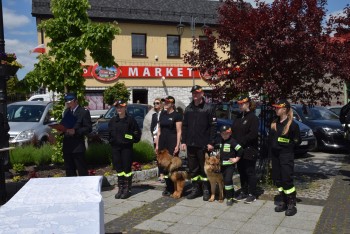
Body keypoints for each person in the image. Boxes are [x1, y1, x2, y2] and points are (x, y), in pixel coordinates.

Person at [181, 85, 217, 201]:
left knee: (204, 169)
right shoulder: (188, 109)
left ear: (202, 94)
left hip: (203, 144)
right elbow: (185, 126)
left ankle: (206, 189)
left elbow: (213, 127)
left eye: (197, 93)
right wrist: (183, 141)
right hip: (191, 144)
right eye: (193, 93)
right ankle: (196, 189)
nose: (195, 95)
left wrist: (211, 142)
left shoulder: (208, 108)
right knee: (193, 169)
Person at [270, 99, 300, 216]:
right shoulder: (274, 123)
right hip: (275, 156)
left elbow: (297, 141)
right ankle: (283, 200)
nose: (276, 109)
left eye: (278, 107)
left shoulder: (292, 125)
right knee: (278, 180)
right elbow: (270, 141)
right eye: (276, 107)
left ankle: (291, 203)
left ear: (285, 109)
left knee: (287, 180)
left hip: (286, 156)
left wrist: (286, 145)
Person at [108, 100, 141, 199]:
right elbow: (109, 135)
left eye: (121, 107)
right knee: (119, 169)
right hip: (116, 149)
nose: (119, 109)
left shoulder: (131, 120)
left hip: (126, 149)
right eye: (117, 107)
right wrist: (112, 140)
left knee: (127, 169)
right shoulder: (113, 121)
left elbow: (137, 136)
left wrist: (127, 137)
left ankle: (127, 189)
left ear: (125, 108)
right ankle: (121, 188)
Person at [232, 95, 259, 204]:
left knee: (250, 172)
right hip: (239, 150)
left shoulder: (253, 118)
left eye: (242, 103)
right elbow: (233, 131)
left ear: (248, 104)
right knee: (241, 172)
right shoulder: (238, 117)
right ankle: (243, 191)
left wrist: (240, 143)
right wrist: (233, 144)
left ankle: (252, 194)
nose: (240, 105)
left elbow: (252, 134)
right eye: (239, 103)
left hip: (249, 150)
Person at [155, 96, 182, 196]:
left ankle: (175, 188)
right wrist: (157, 144)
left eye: (167, 102)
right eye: (164, 102)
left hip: (172, 141)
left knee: (172, 166)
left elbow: (179, 131)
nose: (165, 104)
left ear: (172, 103)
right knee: (163, 166)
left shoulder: (177, 115)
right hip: (162, 141)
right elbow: (159, 131)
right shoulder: (162, 114)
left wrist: (177, 145)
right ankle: (168, 186)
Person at [62, 93, 92, 177]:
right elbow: (65, 125)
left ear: (76, 101)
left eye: (70, 101)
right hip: (67, 145)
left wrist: (76, 131)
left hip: (77, 146)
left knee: (82, 170)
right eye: (66, 101)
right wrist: (60, 129)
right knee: (69, 171)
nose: (68, 103)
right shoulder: (67, 111)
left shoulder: (83, 112)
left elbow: (88, 128)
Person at [218, 125, 243, 206]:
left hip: (230, 166)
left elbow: (240, 150)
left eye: (226, 134)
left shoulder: (232, 141)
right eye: (223, 134)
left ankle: (229, 198)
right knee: (226, 182)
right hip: (222, 166)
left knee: (228, 180)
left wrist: (236, 159)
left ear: (230, 133)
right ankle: (230, 195)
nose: (225, 135)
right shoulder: (221, 141)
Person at [151, 98, 165, 183]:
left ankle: (164, 174)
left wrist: (158, 136)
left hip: (162, 137)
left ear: (161, 104)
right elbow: (152, 127)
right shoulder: (154, 115)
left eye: (157, 103)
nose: (155, 104)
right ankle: (160, 174)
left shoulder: (164, 114)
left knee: (163, 156)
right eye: (154, 103)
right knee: (158, 157)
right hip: (155, 137)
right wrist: (154, 136)